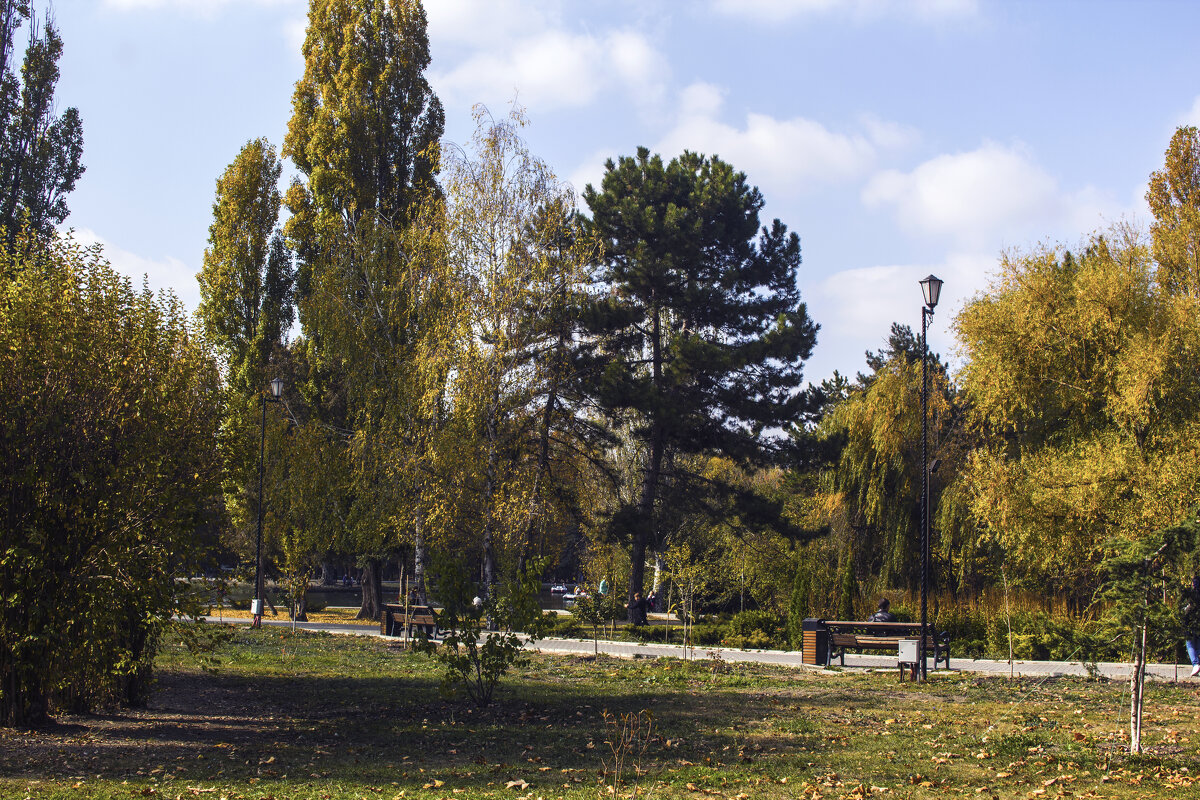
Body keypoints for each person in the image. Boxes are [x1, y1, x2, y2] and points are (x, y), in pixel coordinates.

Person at [1182, 575, 1200, 678]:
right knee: (1197, 644)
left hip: (1191, 623)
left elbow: (1187, 610)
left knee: (1190, 643)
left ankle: (1195, 664)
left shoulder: (1191, 596)